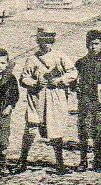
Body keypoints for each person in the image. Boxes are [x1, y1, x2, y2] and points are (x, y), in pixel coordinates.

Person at [16, 28, 77, 172]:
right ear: (38, 42)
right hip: (37, 97)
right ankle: (22, 161)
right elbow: (23, 78)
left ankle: (60, 163)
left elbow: (73, 72)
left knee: (55, 129)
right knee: (31, 128)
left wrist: (60, 80)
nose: (46, 45)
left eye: (49, 41)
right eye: (43, 41)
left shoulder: (60, 57)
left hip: (55, 97)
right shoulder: (32, 59)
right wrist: (34, 83)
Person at [73, 29, 101, 172]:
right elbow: (72, 79)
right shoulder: (80, 63)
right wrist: (76, 87)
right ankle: (83, 161)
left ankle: (98, 160)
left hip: (99, 102)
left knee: (98, 130)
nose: (93, 47)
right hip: (85, 101)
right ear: (87, 45)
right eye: (91, 44)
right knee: (84, 130)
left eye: (96, 44)